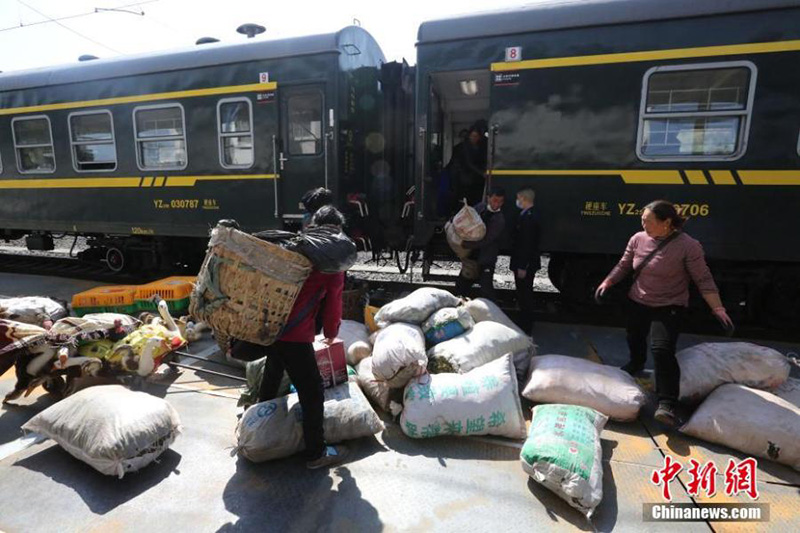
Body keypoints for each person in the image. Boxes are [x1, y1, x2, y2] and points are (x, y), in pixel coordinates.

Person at [595, 200, 734, 427]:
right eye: (642, 220)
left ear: (666, 222)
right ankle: (636, 362)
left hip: (669, 305)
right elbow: (624, 265)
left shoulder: (689, 246)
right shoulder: (637, 239)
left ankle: (667, 403)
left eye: (648, 221)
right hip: (638, 300)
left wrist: (717, 309)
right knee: (634, 335)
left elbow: (703, 279)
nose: (643, 225)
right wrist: (608, 282)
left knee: (662, 349)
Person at [233, 206, 347, 469]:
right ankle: (316, 453)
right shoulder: (331, 260)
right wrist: (331, 334)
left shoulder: (294, 246)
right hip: (295, 335)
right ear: (338, 231)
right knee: (312, 391)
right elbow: (333, 304)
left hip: (271, 327)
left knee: (273, 375)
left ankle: (258, 427)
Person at [455, 186, 506, 301]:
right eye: (495, 200)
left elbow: (487, 240)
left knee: (486, 290)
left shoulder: (499, 220)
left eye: (500, 201)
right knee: (461, 286)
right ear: (488, 198)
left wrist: (467, 245)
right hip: (472, 258)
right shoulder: (480, 207)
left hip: (486, 259)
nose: (497, 204)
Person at [510, 188, 540, 334]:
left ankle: (526, 325)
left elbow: (526, 245)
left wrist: (522, 266)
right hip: (525, 262)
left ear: (524, 198)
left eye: (519, 198)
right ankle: (525, 323)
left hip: (525, 264)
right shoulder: (528, 215)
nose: (518, 201)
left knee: (525, 293)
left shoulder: (528, 218)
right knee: (523, 292)